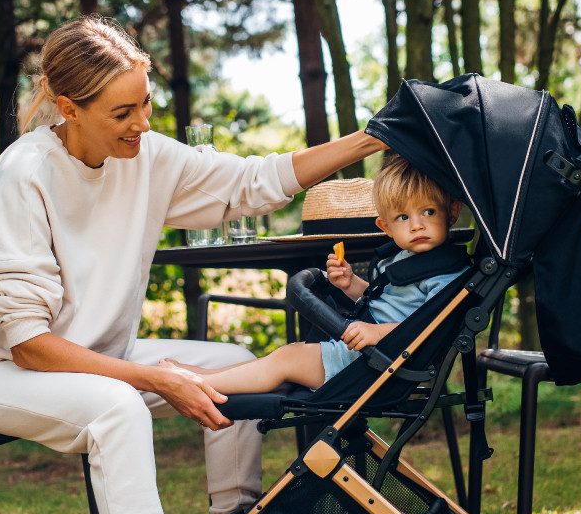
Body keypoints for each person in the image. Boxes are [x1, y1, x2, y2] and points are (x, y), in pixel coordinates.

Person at [0, 15, 385, 514]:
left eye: (145, 104)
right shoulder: (22, 177)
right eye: (122, 111)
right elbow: (28, 342)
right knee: (116, 408)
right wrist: (149, 378)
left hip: (88, 351)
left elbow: (256, 181)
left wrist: (372, 137)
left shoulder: (143, 155)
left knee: (229, 357)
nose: (141, 123)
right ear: (67, 106)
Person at [161, 156, 466, 394]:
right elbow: (384, 301)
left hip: (385, 361)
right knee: (288, 356)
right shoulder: (402, 258)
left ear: (450, 213)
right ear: (384, 227)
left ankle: (199, 381)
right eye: (403, 217)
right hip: (369, 352)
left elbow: (432, 327)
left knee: (288, 358)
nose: (417, 225)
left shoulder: (446, 273)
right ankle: (207, 378)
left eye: (428, 212)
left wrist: (376, 333)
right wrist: (352, 285)